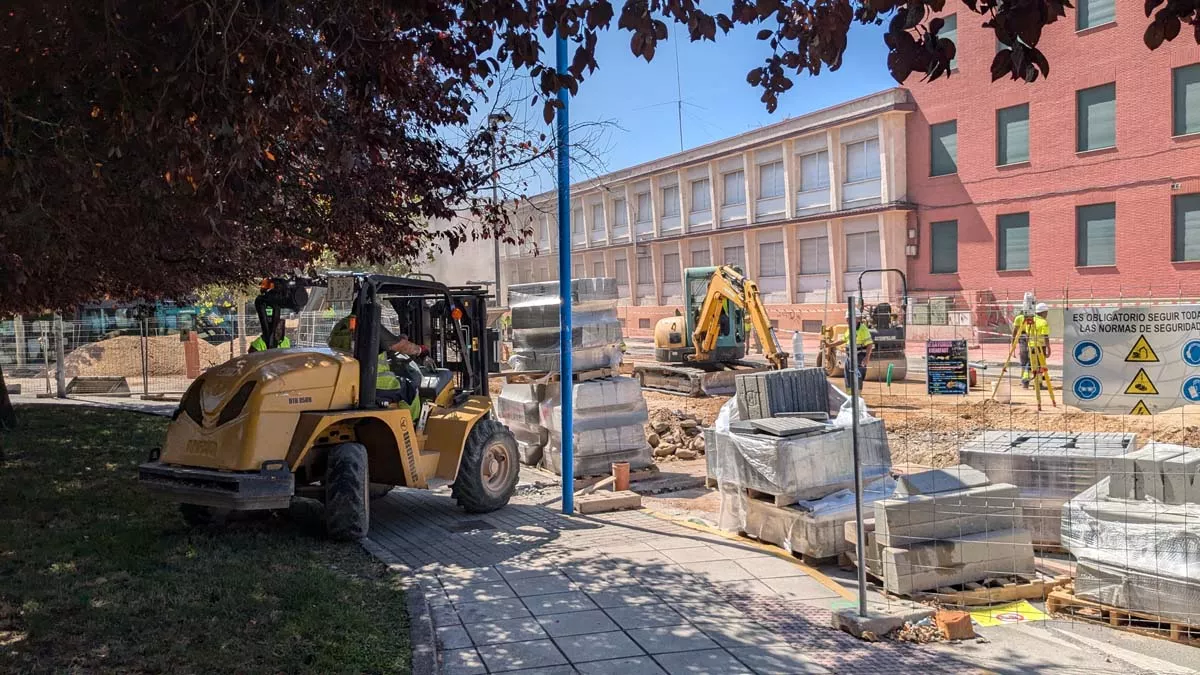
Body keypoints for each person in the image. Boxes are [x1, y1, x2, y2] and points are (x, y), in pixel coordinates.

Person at [327, 315, 429, 420]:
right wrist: (420, 350)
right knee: (410, 389)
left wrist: (397, 340)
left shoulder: (341, 327)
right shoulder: (370, 324)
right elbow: (401, 346)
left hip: (349, 380)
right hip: (374, 381)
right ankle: (413, 425)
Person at [830, 310, 874, 392]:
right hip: (849, 357)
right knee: (848, 377)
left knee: (858, 377)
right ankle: (850, 396)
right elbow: (843, 340)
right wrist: (830, 345)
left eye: (848, 319)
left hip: (859, 357)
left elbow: (870, 344)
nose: (847, 321)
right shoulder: (850, 328)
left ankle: (857, 397)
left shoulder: (863, 329)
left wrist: (867, 357)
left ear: (857, 319)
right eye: (847, 319)